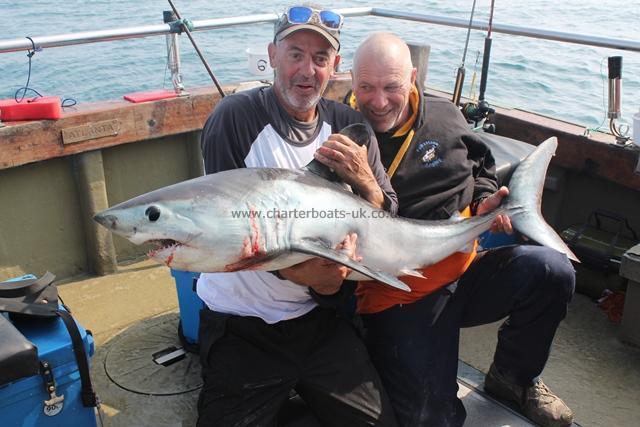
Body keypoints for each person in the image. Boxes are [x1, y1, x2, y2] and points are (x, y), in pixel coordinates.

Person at [346, 32, 576, 427]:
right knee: (434, 419)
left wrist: (489, 200)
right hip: (399, 293)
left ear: (413, 78)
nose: (378, 101)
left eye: (391, 86)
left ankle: (513, 378)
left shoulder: (444, 115)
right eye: (366, 87)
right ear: (350, 81)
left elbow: (481, 164)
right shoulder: (343, 136)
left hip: (466, 269)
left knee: (552, 271)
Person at [195, 7, 398, 427]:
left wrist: (368, 183)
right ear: (273, 54)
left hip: (318, 319)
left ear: (334, 67)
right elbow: (228, 233)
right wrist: (309, 278)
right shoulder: (234, 119)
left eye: (320, 58)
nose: (307, 70)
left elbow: (388, 213)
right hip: (242, 322)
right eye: (295, 54)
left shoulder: (350, 126)